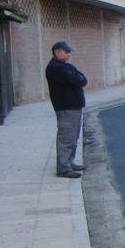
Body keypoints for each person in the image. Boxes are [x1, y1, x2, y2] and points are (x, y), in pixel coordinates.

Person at [44, 41, 88, 179]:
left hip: (73, 107)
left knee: (73, 137)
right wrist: (79, 77)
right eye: (66, 51)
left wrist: (79, 77)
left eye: (69, 52)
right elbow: (78, 80)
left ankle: (69, 162)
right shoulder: (57, 68)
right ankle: (63, 168)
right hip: (66, 107)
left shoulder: (66, 66)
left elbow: (82, 78)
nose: (69, 54)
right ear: (57, 52)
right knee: (66, 137)